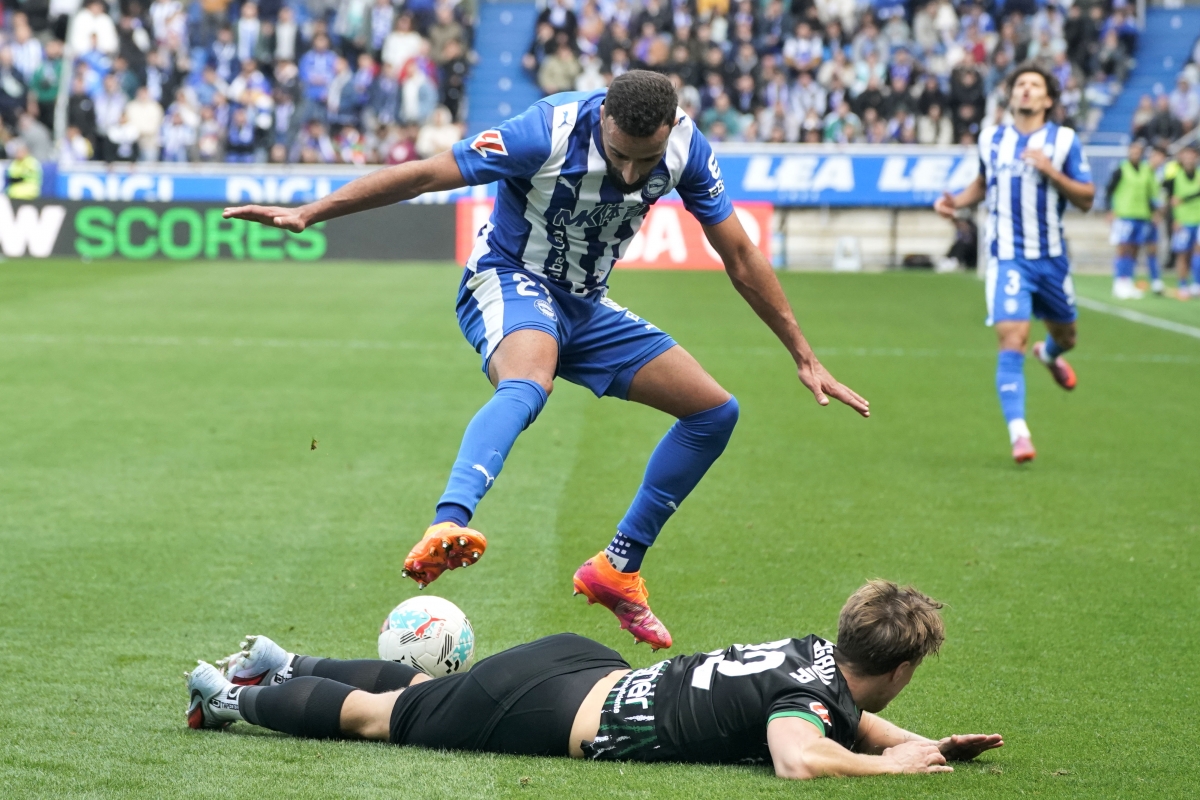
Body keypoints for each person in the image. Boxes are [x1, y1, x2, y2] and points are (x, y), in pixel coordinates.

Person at [224, 71, 869, 650]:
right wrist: (313, 211)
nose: (628, 174)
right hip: (508, 278)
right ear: (602, 122)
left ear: (669, 130)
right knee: (529, 381)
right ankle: (447, 524)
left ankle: (618, 566)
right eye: (618, 155)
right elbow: (427, 174)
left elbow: (741, 256)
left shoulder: (687, 150)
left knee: (714, 412)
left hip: (586, 306)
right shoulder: (545, 132)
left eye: (643, 161)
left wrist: (803, 355)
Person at [185, 580, 1002, 777]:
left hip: (580, 664)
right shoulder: (811, 702)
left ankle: (279, 662)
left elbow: (836, 718)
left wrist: (926, 745)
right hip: (553, 706)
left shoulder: (810, 656)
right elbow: (800, 753)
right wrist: (886, 764)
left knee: (415, 697)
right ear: (897, 669)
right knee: (376, 718)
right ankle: (233, 699)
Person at [934, 64, 1094, 464]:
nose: (1025, 90)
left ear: (1048, 99)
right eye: (1020, 84)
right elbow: (983, 184)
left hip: (1052, 258)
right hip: (1007, 258)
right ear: (1010, 95)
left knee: (1068, 335)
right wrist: (955, 200)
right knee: (1011, 340)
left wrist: (1050, 171)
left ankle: (1051, 355)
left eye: (1034, 85)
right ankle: (1019, 434)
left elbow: (1087, 198)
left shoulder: (1064, 140)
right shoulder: (991, 138)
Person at [1105, 139, 1162, 298]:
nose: (1135, 154)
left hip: (1142, 216)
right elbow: (1109, 190)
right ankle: (1119, 281)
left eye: (1138, 151)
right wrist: (1110, 210)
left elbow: (1151, 194)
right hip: (1124, 215)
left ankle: (1128, 281)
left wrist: (1154, 212)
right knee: (1123, 248)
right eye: (1133, 151)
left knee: (1135, 250)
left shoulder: (1146, 170)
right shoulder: (1121, 169)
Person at [1163, 144, 1200, 301]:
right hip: (1183, 221)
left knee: (1197, 252)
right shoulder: (1174, 177)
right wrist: (1174, 219)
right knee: (1182, 254)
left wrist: (1184, 199)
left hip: (1198, 219)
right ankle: (1183, 284)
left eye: (1192, 155)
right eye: (1186, 155)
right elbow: (1170, 200)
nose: (1189, 159)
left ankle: (1197, 284)